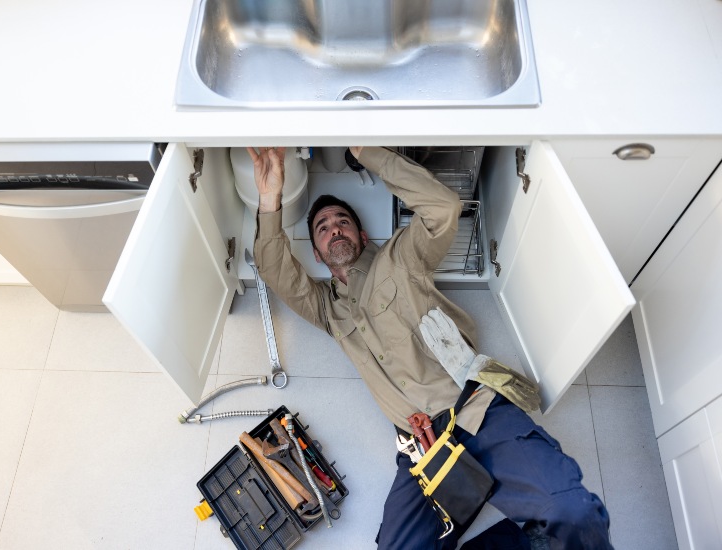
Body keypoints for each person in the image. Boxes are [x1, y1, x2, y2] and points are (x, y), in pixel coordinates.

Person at [250, 145, 613, 549]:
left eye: (342, 222)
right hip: (420, 449)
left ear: (363, 235)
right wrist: (270, 198)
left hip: (476, 413)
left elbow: (442, 207)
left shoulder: (401, 258)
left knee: (572, 514)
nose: (334, 229)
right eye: (323, 227)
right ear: (318, 255)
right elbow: (273, 269)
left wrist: (366, 150)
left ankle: (543, 532)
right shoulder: (326, 308)